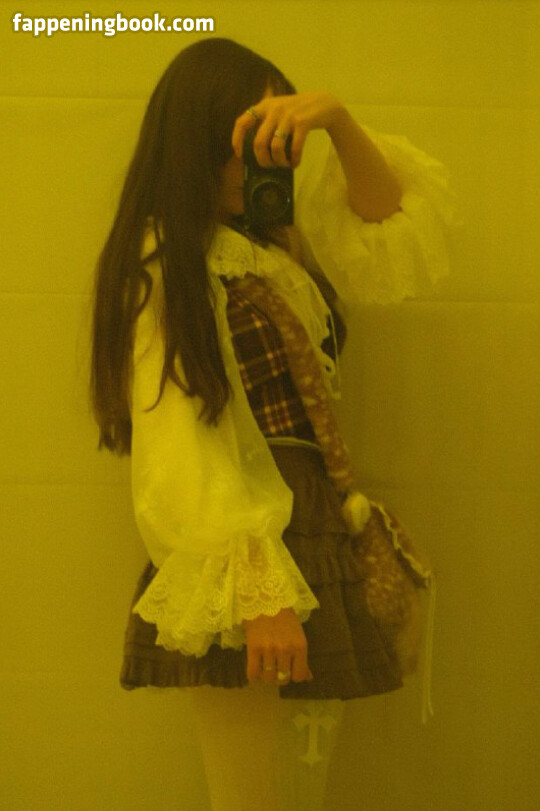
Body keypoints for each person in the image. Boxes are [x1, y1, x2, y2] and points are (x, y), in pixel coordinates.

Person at [90, 38, 455, 811]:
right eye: (249, 133)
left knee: (302, 788)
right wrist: (259, 594)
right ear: (200, 131)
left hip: (312, 527)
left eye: (278, 133)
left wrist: (337, 122)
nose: (267, 155)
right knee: (250, 794)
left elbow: (389, 227)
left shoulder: (274, 249)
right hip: (242, 550)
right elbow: (176, 437)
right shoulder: (167, 257)